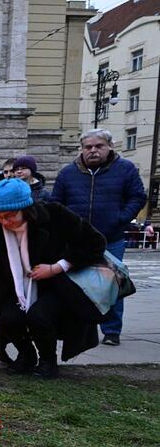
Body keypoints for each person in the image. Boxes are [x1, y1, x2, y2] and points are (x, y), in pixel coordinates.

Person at [0, 179, 106, 378]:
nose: (4, 222)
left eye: (10, 216)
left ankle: (48, 360)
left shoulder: (54, 215)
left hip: (55, 285)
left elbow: (95, 242)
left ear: (26, 208)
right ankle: (26, 355)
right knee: (8, 317)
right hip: (12, 288)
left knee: (39, 316)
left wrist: (57, 267)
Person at [50, 129, 147, 346]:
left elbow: (138, 197)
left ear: (110, 146)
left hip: (110, 237)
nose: (93, 151)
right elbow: (56, 204)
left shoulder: (125, 169)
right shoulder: (68, 173)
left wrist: (120, 218)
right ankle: (77, 330)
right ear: (82, 149)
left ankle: (111, 330)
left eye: (98, 146)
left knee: (111, 284)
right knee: (76, 284)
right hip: (77, 240)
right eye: (88, 147)